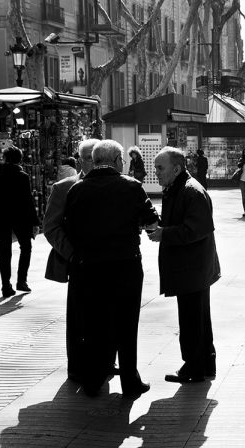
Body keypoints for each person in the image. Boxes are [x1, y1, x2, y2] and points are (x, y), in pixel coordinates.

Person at [64, 139, 159, 397]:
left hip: (89, 268)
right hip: (125, 265)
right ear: (117, 160)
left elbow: (68, 228)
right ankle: (130, 379)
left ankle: (94, 378)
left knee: (94, 322)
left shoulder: (77, 190)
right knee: (127, 323)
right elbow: (151, 219)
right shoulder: (131, 187)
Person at [149, 146, 221, 384]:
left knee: (192, 319)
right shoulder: (178, 188)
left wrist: (164, 234)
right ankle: (203, 364)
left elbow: (195, 230)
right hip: (192, 268)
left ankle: (194, 367)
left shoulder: (190, 191)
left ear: (177, 168)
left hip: (193, 269)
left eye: (160, 168)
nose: (156, 172)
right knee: (197, 318)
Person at [43, 138, 98, 383]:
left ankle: (104, 359)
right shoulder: (64, 187)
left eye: (96, 158)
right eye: (87, 157)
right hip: (78, 262)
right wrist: (73, 254)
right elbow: (51, 227)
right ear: (78, 159)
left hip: (106, 263)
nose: (92, 163)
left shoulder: (112, 185)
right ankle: (77, 365)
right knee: (78, 316)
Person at [0, 145, 40, 297]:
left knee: (4, 251)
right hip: (20, 217)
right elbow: (28, 201)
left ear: (5, 158)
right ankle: (22, 281)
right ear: (20, 159)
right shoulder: (22, 176)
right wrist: (35, 222)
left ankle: (5, 285)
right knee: (26, 247)